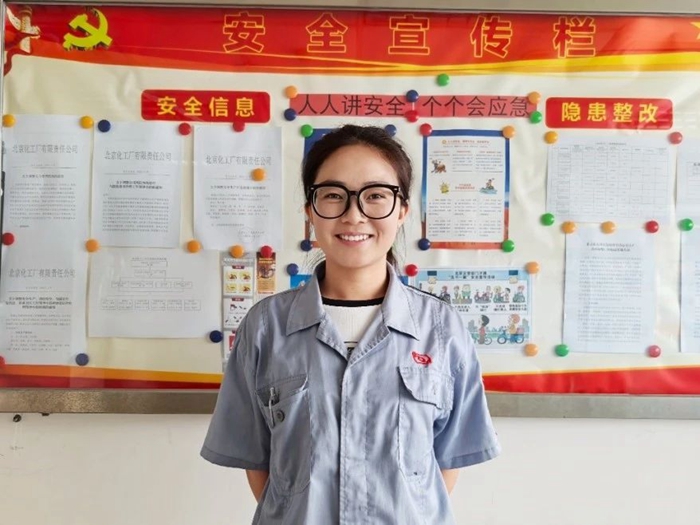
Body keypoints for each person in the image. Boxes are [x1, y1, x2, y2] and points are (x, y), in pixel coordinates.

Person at [201, 124, 500, 524]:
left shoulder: (441, 328)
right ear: (310, 210)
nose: (354, 215)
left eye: (375, 195)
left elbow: (446, 460)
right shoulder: (266, 327)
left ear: (402, 210)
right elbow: (258, 463)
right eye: (333, 195)